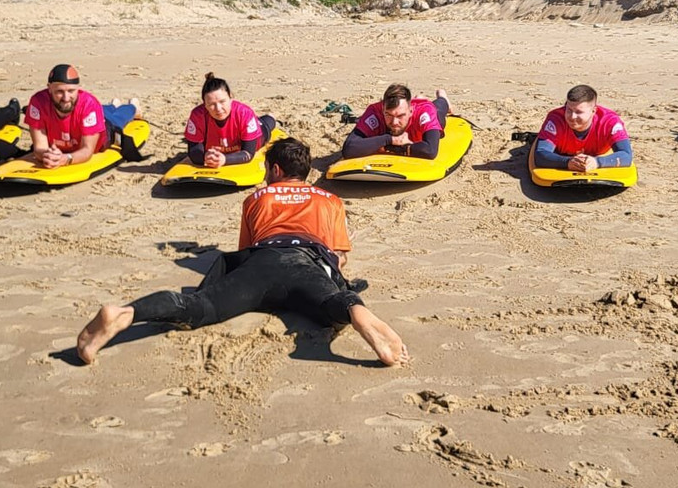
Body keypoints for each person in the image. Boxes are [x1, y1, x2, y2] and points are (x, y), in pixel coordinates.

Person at [77, 137, 408, 367]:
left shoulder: (256, 199)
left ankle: (126, 314)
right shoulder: (331, 200)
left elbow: (245, 249)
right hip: (306, 260)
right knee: (331, 305)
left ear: (276, 170)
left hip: (262, 260)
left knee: (197, 306)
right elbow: (338, 256)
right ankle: (356, 311)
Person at [25, 64, 139, 169]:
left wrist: (66, 159)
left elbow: (87, 150)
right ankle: (113, 105)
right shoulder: (38, 102)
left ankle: (133, 106)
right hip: (80, 124)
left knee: (118, 118)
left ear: (78, 88)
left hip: (102, 131)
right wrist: (47, 155)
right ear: (49, 88)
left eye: (71, 91)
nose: (66, 97)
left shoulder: (89, 104)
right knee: (103, 109)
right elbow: (39, 147)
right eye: (59, 92)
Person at [184, 72, 276, 168]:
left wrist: (225, 159)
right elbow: (193, 153)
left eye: (222, 101)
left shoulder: (244, 113)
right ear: (204, 104)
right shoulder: (198, 115)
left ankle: (270, 117)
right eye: (211, 104)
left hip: (248, 135)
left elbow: (248, 154)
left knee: (266, 125)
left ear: (231, 97)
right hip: (221, 145)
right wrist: (205, 156)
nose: (218, 108)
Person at [534, 84, 633, 172]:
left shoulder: (609, 122)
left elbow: (626, 155)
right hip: (562, 154)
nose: (572, 117)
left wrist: (597, 162)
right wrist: (567, 162)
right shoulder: (556, 119)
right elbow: (540, 155)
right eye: (568, 110)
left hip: (597, 155)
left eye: (578, 112)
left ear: (593, 111)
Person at [342, 83, 450, 160]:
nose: (394, 122)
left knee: (439, 111)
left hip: (426, 111)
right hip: (401, 121)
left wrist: (394, 148)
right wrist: (389, 140)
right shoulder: (375, 111)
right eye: (388, 115)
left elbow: (430, 151)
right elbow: (349, 149)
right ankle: (417, 99)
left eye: (400, 115)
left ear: (410, 111)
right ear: (383, 108)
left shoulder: (424, 112)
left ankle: (442, 97)